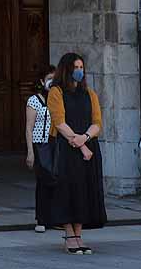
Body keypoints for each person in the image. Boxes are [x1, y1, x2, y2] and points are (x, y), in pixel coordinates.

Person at [45, 52, 107, 254]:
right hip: (67, 148)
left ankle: (79, 235)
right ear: (67, 69)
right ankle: (69, 235)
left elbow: (97, 122)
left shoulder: (90, 93)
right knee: (68, 190)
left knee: (84, 191)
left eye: (82, 68)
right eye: (76, 68)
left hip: (88, 146)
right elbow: (59, 122)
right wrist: (80, 144)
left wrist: (86, 138)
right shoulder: (56, 92)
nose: (79, 71)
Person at [25, 64, 56, 233]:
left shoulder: (58, 99)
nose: (51, 82)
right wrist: (30, 151)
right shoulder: (34, 100)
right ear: (42, 80)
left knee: (56, 180)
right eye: (49, 78)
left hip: (55, 144)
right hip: (39, 144)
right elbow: (29, 127)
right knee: (43, 181)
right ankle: (41, 219)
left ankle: (54, 217)